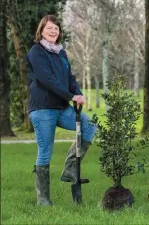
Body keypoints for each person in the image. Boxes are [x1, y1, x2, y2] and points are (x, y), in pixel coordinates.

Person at [26, 15, 96, 206]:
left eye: (56, 28)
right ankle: (43, 200)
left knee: (89, 126)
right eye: (49, 28)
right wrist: (70, 96)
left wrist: (78, 94)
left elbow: (69, 77)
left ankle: (70, 168)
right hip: (43, 109)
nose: (53, 31)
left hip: (62, 107)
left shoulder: (60, 53)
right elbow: (47, 79)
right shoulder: (36, 52)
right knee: (46, 151)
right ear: (41, 31)